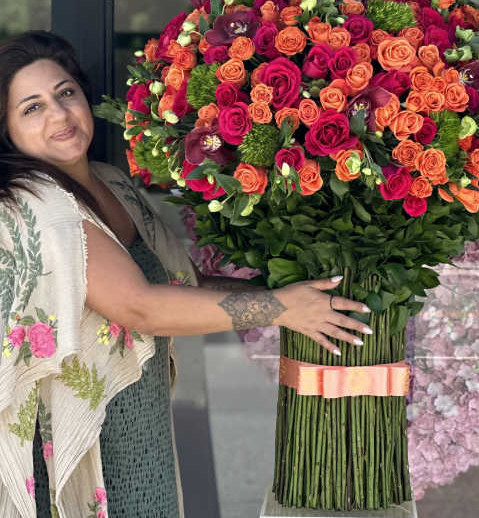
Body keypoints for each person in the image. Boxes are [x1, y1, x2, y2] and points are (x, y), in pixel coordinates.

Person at [0, 31, 371, 518]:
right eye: (32, 108)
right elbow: (140, 307)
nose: (59, 114)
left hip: (142, 429)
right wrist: (283, 308)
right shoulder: (38, 207)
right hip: (88, 448)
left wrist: (293, 292)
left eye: (65, 92)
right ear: (7, 130)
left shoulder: (111, 182)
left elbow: (182, 284)